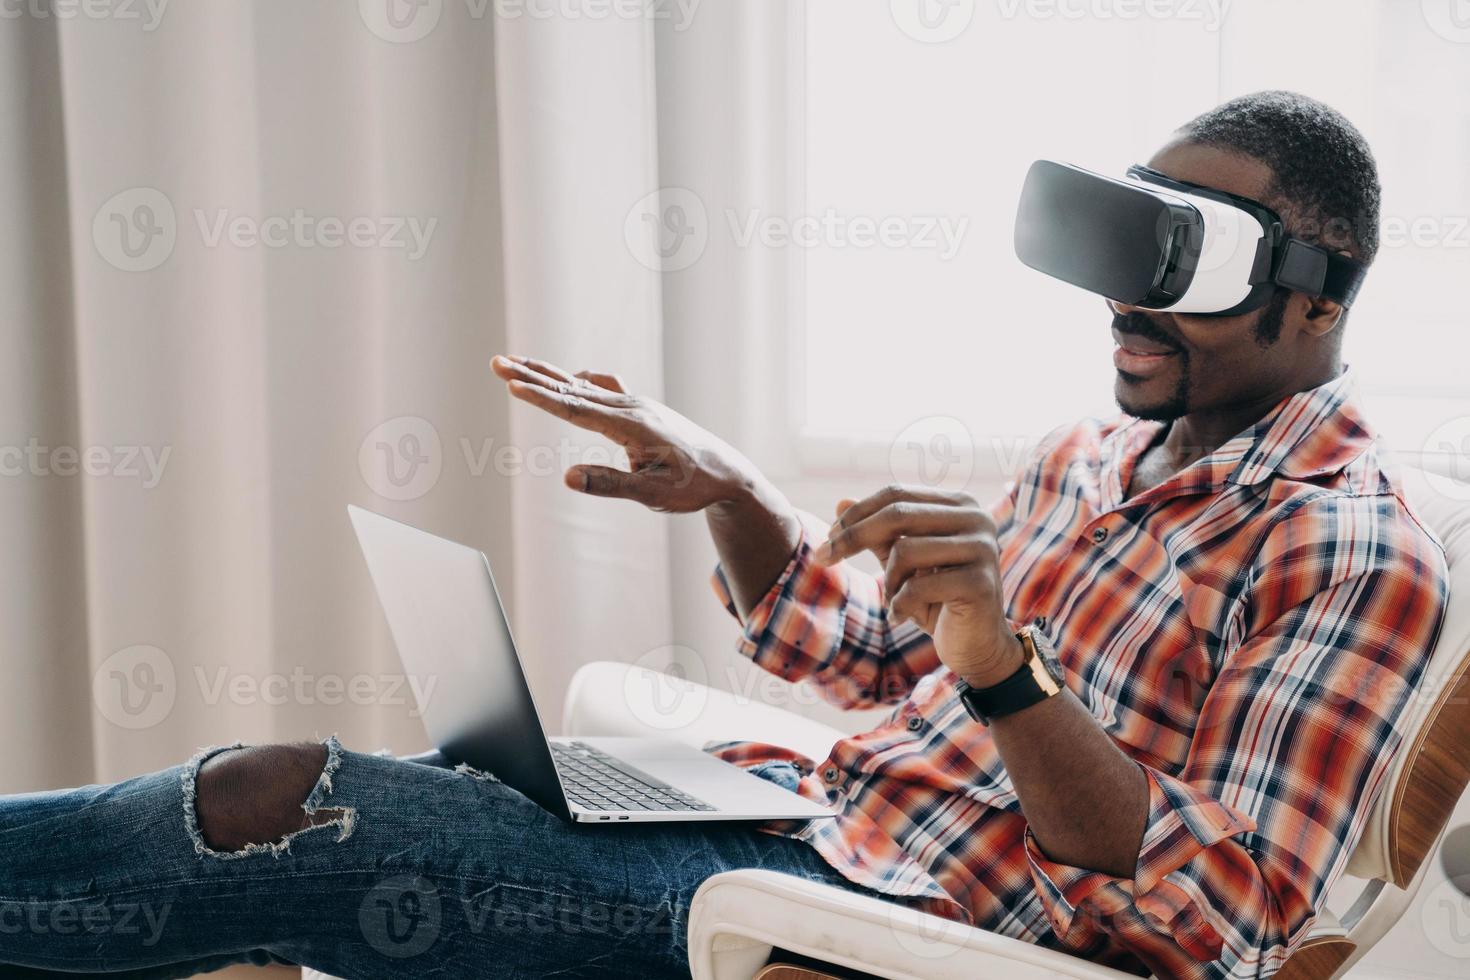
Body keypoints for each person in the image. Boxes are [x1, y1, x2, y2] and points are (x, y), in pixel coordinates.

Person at [0, 91, 1447, 980]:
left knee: (285, 804)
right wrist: (741, 496)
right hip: (791, 816)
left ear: (1317, 297)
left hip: (849, 916)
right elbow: (867, 661)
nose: (1125, 306)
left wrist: (1008, 675)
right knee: (278, 863)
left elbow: (1221, 925)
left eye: (1185, 269)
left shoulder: (1346, 552)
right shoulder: (1094, 451)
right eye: (1127, 250)